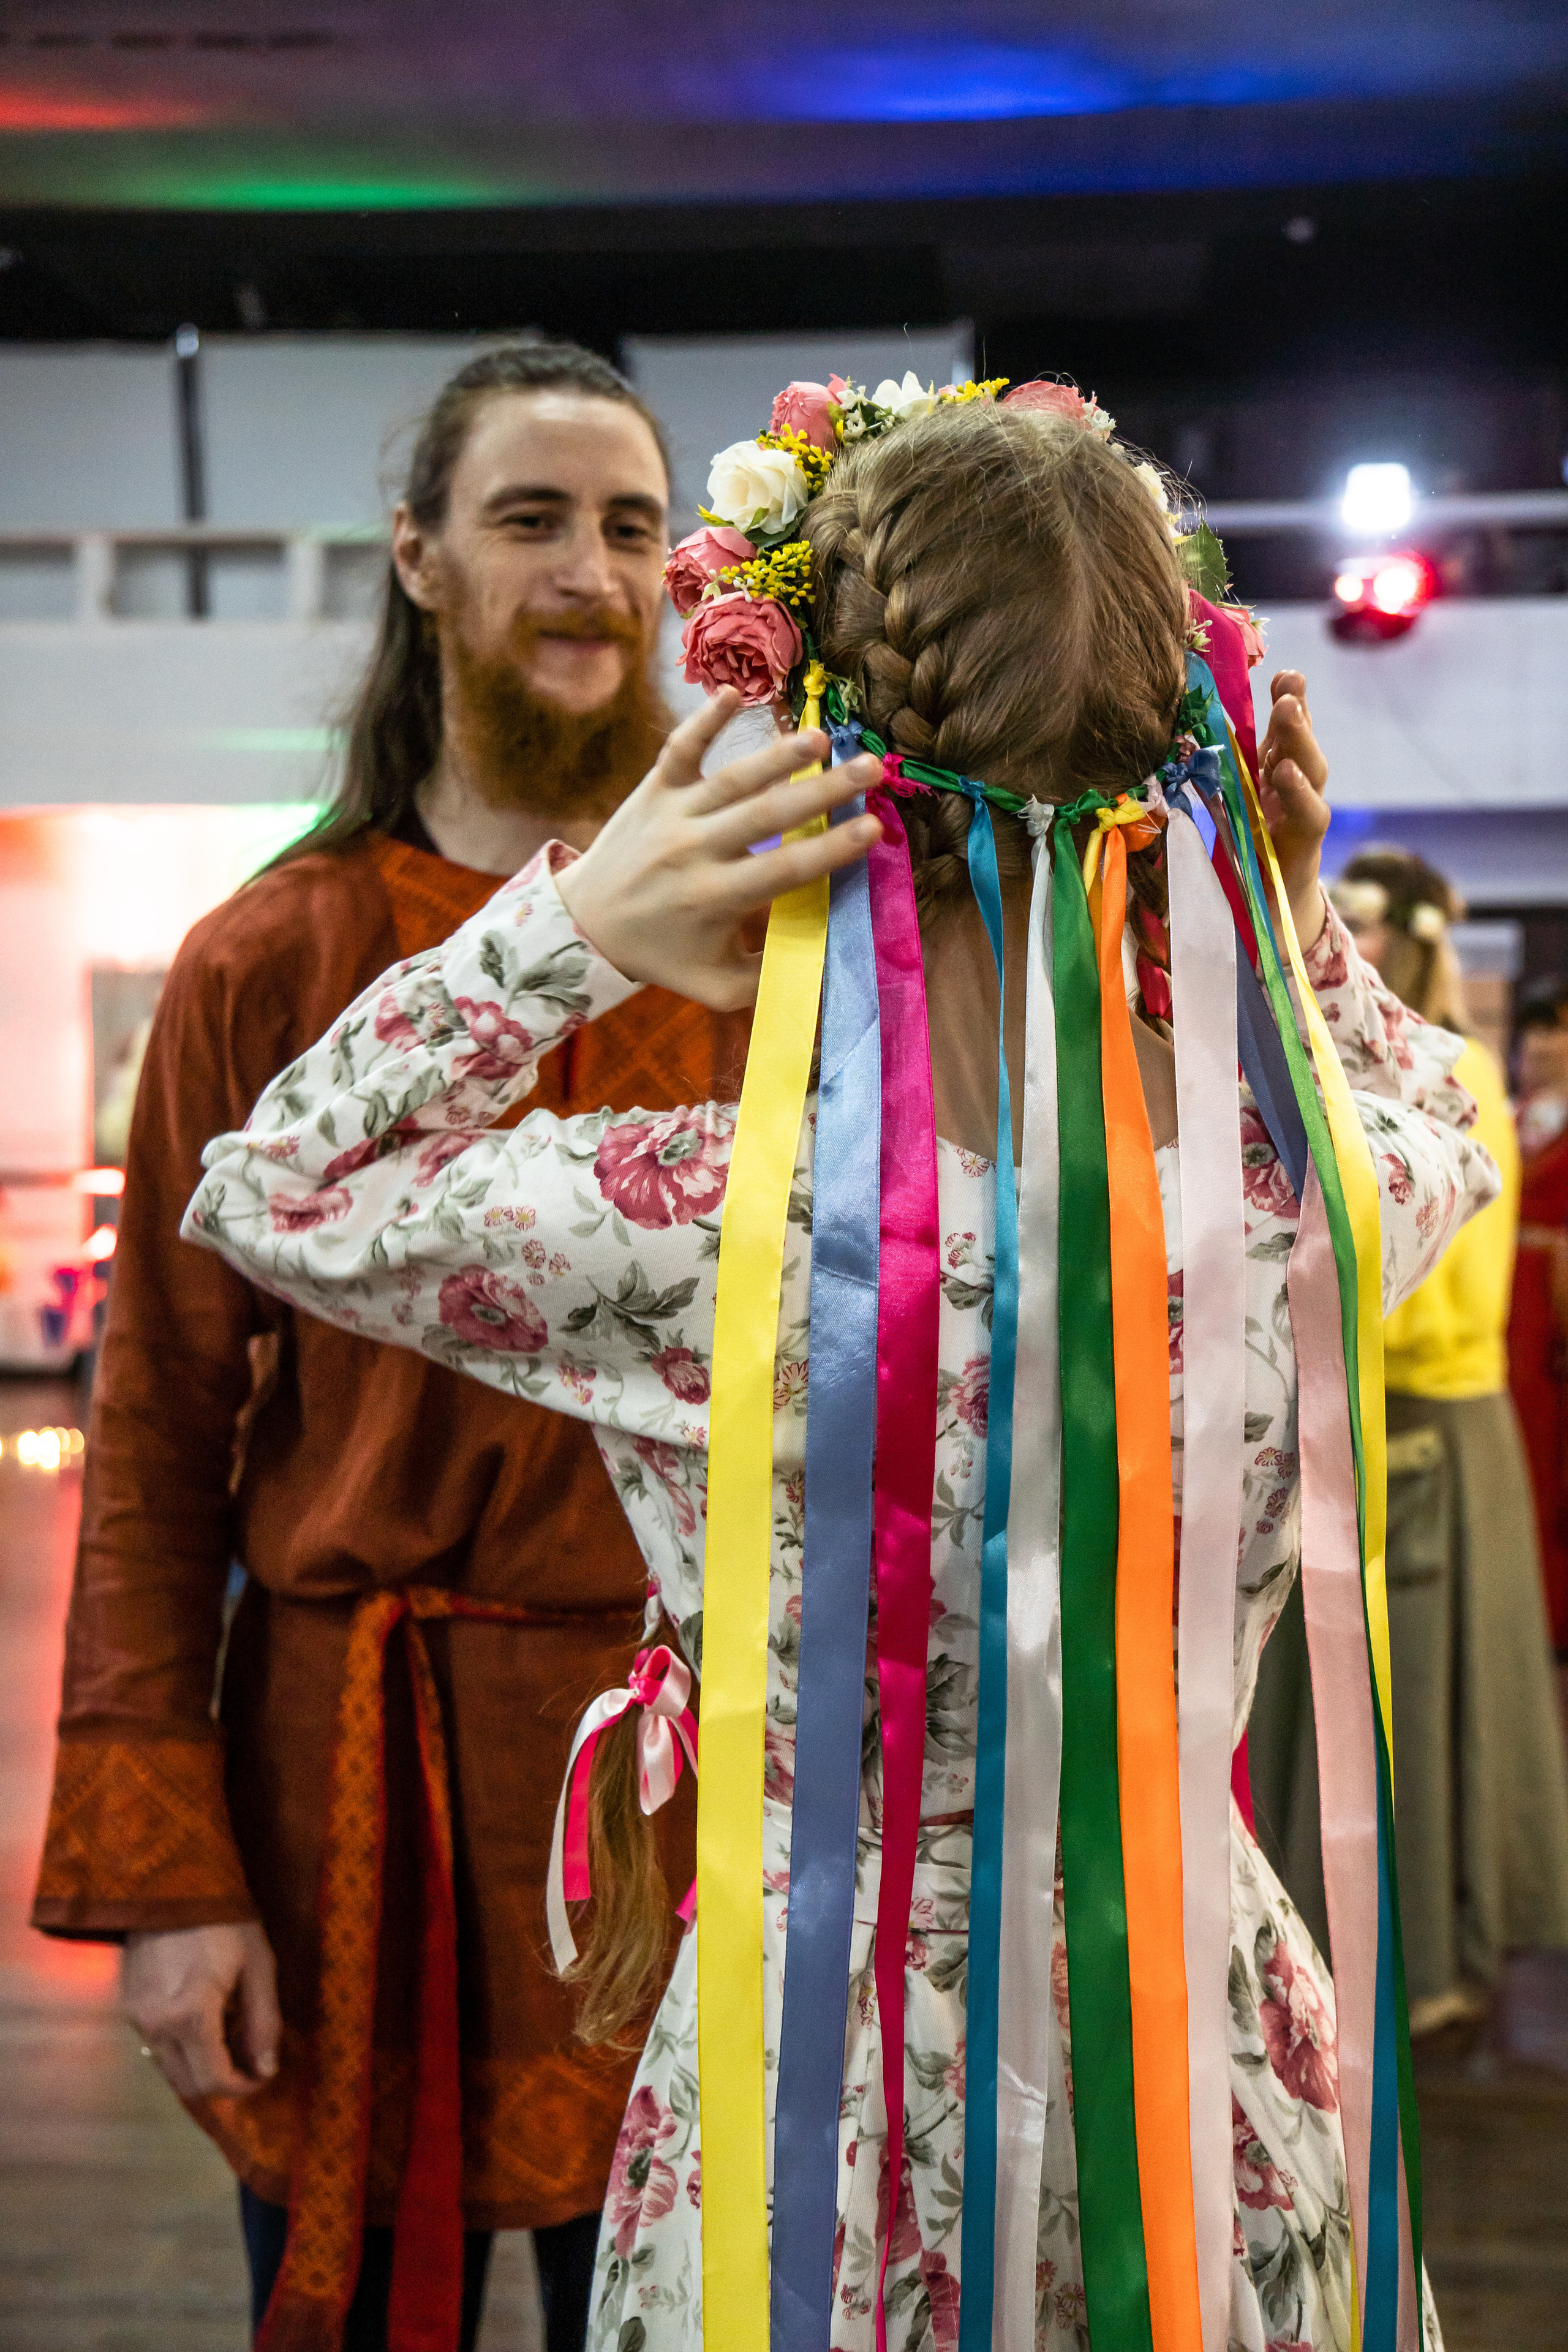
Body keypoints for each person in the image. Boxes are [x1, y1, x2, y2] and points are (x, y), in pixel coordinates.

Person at [181, 390, 1498, 2350]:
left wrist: (582, 923)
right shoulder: (1310, 1185)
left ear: (810, 756)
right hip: (1205, 2049)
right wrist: (1280, 925)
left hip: (837, 2081)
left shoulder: (700, 1228)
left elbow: (270, 1182)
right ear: (1198, 765)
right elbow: (1440, 1116)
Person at [31, 340, 750, 2352]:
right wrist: (171, 1879)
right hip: (348, 1763)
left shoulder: (779, 947)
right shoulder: (267, 955)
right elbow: (158, 1432)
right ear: (420, 556)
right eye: (532, 519)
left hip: (687, 1769)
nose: (592, 573)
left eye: (632, 526)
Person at [1329, 856, 1568, 2032]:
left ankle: (1428, 1956)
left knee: (1420, 1706)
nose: (1341, 944)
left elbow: (1434, 1293)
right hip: (1376, 1423)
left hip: (1428, 1424)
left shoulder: (1451, 1074)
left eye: (1358, 924)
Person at [1510, 976, 1568, 1651]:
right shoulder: (1508, 1118)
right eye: (1534, 1031)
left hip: (1552, 1305)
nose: (1542, 1045)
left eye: (1555, 1030)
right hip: (1507, 1307)